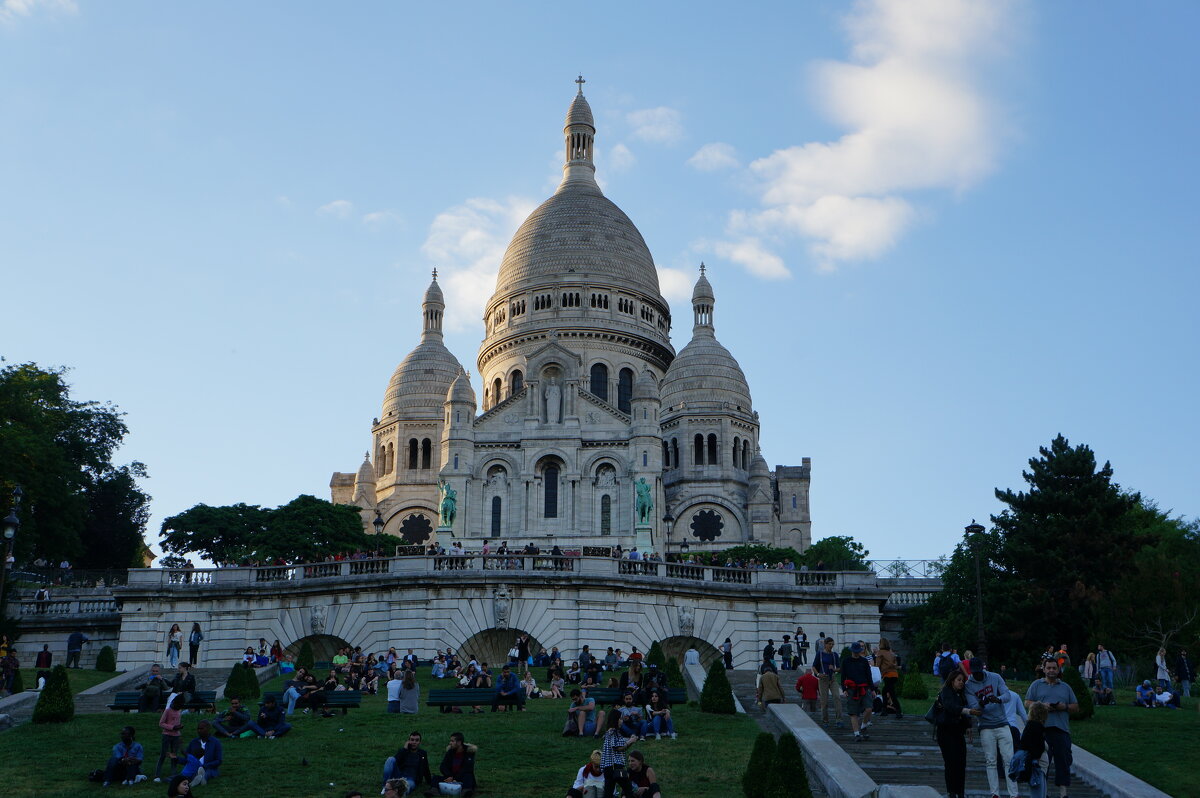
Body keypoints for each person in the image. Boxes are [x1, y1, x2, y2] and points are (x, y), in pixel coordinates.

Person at [962, 657, 1016, 798]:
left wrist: (998, 699)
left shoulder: (995, 677)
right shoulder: (969, 685)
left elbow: (1007, 695)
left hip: (1002, 723)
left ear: (983, 668)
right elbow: (974, 708)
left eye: (979, 671)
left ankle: (1014, 793)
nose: (977, 675)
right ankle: (994, 793)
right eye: (974, 672)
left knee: (1009, 759)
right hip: (985, 725)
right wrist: (983, 702)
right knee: (990, 760)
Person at [1024, 659, 1078, 798]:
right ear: (1044, 669)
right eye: (1049, 668)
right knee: (1042, 763)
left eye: (1054, 668)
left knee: (1064, 761)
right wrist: (1042, 705)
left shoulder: (1065, 687)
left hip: (1061, 729)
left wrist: (1063, 707)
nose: (1051, 670)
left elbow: (1075, 707)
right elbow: (1026, 702)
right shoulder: (1036, 685)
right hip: (1041, 730)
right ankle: (1044, 792)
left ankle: (1063, 793)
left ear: (1058, 670)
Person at [934, 669, 977, 798]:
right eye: (958, 680)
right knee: (950, 762)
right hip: (946, 731)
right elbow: (950, 707)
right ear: (952, 680)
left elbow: (962, 714)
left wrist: (968, 725)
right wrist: (968, 711)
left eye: (962, 681)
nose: (961, 683)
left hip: (958, 732)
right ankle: (951, 791)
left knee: (961, 762)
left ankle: (960, 791)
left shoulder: (961, 694)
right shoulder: (946, 692)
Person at [600, 708, 638, 798]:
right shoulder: (614, 732)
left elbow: (621, 748)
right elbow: (618, 748)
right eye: (620, 719)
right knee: (628, 790)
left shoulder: (608, 733)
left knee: (608, 794)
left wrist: (630, 742)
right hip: (616, 767)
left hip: (607, 768)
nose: (621, 721)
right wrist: (630, 741)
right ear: (616, 719)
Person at [382, 730, 432, 795]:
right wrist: (404, 750)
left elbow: (425, 768)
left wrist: (430, 781)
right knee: (390, 759)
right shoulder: (403, 751)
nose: (414, 742)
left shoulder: (422, 753)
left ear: (419, 742)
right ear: (408, 741)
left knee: (407, 787)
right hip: (398, 775)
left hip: (411, 779)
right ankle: (385, 787)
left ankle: (398, 793)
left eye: (417, 740)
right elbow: (395, 761)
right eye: (412, 740)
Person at [841, 642, 873, 742]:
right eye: (854, 652)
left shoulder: (864, 661)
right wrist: (844, 689)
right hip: (851, 689)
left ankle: (863, 725)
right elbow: (843, 677)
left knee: (869, 709)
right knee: (853, 712)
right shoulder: (846, 661)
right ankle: (857, 734)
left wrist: (872, 689)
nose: (856, 653)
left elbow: (869, 676)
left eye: (857, 652)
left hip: (864, 687)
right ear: (852, 651)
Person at [1016, 701, 1049, 798]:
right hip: (1037, 766)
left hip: (1038, 766)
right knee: (1038, 794)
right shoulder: (1035, 726)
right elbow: (1037, 747)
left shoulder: (1032, 726)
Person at [431, 731, 477, 796]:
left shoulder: (469, 752)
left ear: (459, 742)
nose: (450, 743)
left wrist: (455, 778)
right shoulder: (450, 752)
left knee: (468, 776)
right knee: (435, 777)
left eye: (452, 741)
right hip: (451, 776)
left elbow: (468, 768)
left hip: (462, 777)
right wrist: (449, 776)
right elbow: (443, 766)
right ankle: (434, 791)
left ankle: (466, 791)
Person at [154, 694, 185, 782]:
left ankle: (173, 774)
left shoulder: (179, 711)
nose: (179, 707)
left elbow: (177, 722)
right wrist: (172, 727)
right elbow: (161, 723)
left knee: (174, 755)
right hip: (167, 735)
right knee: (163, 754)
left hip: (176, 735)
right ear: (174, 702)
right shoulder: (168, 711)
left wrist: (179, 727)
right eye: (178, 704)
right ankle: (157, 775)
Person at [181, 720, 223, 786]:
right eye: (198, 729)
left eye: (201, 728)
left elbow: (219, 761)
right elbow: (187, 757)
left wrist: (205, 766)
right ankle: (197, 779)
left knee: (206, 773)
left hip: (209, 768)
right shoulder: (193, 742)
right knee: (188, 774)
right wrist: (176, 758)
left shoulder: (215, 742)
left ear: (208, 729)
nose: (199, 730)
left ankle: (201, 779)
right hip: (195, 767)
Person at [814, 636, 842, 727]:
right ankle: (825, 720)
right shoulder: (820, 654)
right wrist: (818, 674)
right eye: (829, 644)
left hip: (832, 678)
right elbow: (814, 667)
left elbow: (839, 668)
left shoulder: (835, 655)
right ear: (825, 644)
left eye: (832, 644)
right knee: (824, 700)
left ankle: (839, 720)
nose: (831, 646)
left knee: (837, 697)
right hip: (823, 679)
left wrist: (834, 669)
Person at [874, 637, 901, 718]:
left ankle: (898, 711)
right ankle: (885, 710)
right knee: (886, 692)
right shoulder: (891, 652)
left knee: (891, 693)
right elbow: (895, 664)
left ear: (881, 644)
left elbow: (877, 665)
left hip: (887, 675)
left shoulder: (880, 652)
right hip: (894, 675)